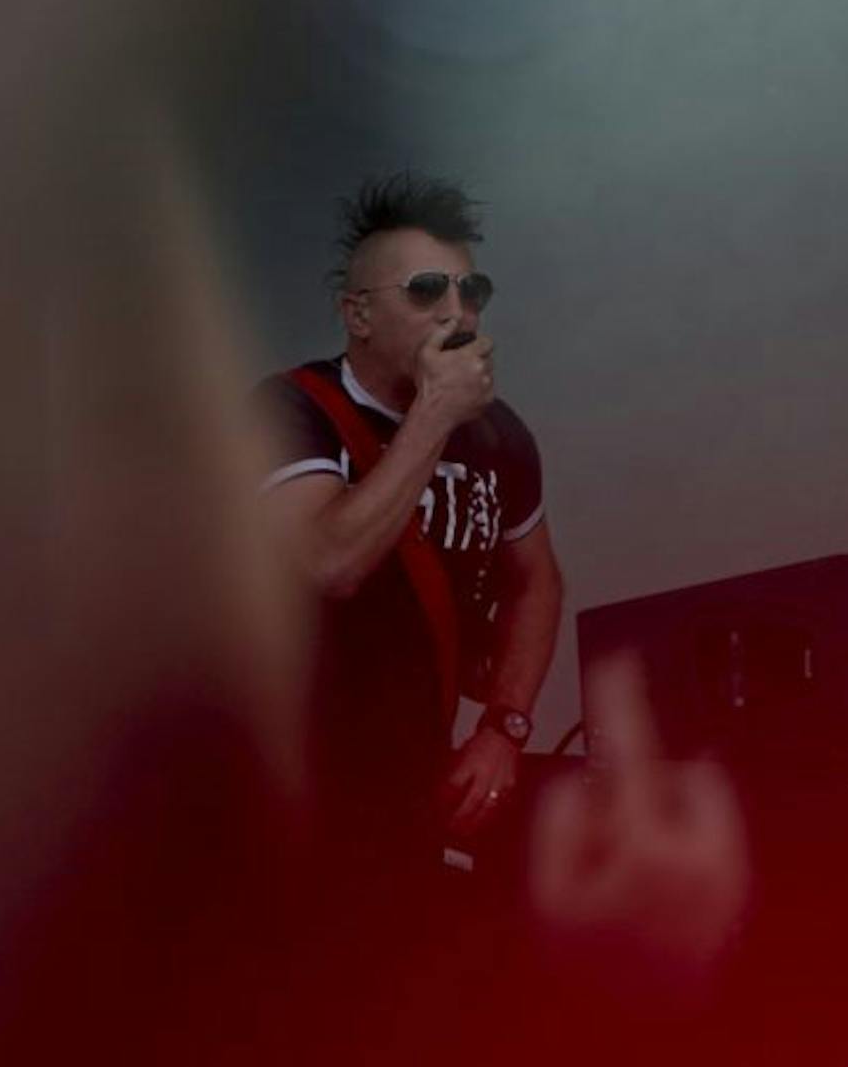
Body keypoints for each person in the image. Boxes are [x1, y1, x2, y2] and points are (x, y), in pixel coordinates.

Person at [255, 172, 568, 1042]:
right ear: (357, 313)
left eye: (472, 288)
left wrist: (505, 725)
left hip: (416, 799)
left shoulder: (501, 436)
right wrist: (433, 414)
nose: (456, 308)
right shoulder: (291, 411)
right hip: (288, 798)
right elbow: (331, 561)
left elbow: (538, 578)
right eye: (426, 289)